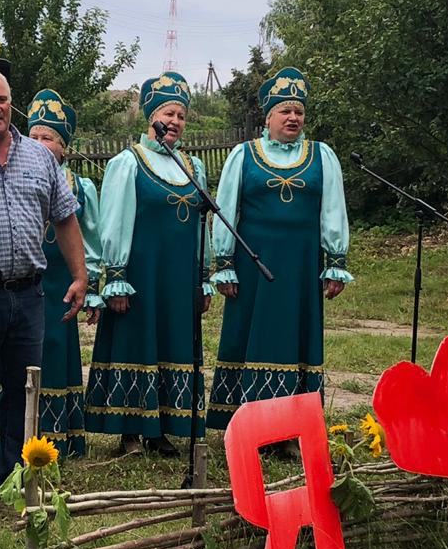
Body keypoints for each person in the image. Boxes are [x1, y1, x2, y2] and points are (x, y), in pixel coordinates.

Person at [0, 69, 88, 486]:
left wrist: (80, 276)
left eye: (3, 100)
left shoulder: (40, 155)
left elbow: (65, 218)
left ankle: (16, 474)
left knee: (25, 388)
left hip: (30, 294)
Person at [207, 68, 351, 428]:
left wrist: (335, 260)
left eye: (299, 112)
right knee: (249, 335)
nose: (293, 118)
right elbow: (225, 209)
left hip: (301, 265)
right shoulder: (244, 155)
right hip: (254, 264)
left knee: (296, 338)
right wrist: (224, 262)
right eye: (285, 111)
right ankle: (245, 424)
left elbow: (333, 209)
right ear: (268, 116)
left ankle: (291, 427)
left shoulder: (322, 156)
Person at [85, 72, 213, 457]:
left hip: (178, 275)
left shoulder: (194, 168)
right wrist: (117, 275)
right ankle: (128, 432)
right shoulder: (129, 162)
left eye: (181, 115)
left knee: (173, 341)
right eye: (167, 113)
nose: (174, 122)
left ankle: (162, 429)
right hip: (141, 273)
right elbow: (114, 219)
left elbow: (202, 226)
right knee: (136, 341)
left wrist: (203, 276)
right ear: (150, 117)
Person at [26, 90, 102, 461]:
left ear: (65, 148)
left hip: (60, 283)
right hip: (23, 279)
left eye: (49, 138)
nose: (39, 144)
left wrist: (92, 283)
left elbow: (92, 239)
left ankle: (59, 435)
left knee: (55, 350)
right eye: (34, 136)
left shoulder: (79, 187)